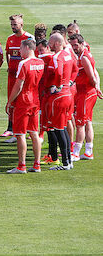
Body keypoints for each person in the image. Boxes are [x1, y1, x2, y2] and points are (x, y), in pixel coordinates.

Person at [6, 39, 44, 174]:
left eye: (21, 49)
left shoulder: (24, 63)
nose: (20, 51)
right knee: (34, 132)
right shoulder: (41, 62)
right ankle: (37, 164)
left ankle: (21, 166)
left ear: (28, 48)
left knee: (20, 134)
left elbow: (19, 85)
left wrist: (10, 101)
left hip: (23, 101)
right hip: (35, 100)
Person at [69, 33, 102, 160]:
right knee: (87, 122)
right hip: (86, 93)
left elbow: (92, 76)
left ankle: (76, 152)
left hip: (86, 93)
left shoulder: (83, 58)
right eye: (72, 45)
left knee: (80, 123)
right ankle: (88, 151)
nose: (74, 47)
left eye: (76, 45)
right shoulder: (84, 54)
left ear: (82, 44)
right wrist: (97, 87)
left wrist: (94, 87)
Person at [3, 14, 33, 141]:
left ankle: (24, 130)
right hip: (12, 76)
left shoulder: (29, 38)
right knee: (12, 101)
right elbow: (8, 53)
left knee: (23, 103)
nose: (13, 27)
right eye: (11, 25)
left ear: (21, 24)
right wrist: (9, 65)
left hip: (24, 77)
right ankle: (11, 128)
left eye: (15, 25)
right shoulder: (10, 39)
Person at [46, 33, 74, 170]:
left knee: (58, 129)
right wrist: (68, 82)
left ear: (57, 43)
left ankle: (64, 164)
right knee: (63, 128)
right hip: (68, 94)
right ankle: (69, 161)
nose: (49, 45)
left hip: (59, 97)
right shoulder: (69, 54)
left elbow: (58, 72)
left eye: (50, 42)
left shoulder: (57, 57)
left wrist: (57, 86)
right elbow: (74, 69)